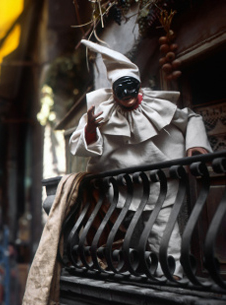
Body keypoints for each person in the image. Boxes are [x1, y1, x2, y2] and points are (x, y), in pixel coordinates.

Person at [69, 40, 212, 278]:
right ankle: (138, 275)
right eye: (120, 89)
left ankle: (172, 275)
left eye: (131, 87)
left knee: (165, 232)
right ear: (113, 91)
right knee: (126, 237)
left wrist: (196, 145)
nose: (127, 94)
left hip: (160, 184)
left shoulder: (156, 105)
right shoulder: (100, 112)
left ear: (138, 86)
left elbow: (190, 118)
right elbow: (79, 144)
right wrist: (91, 129)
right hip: (120, 189)